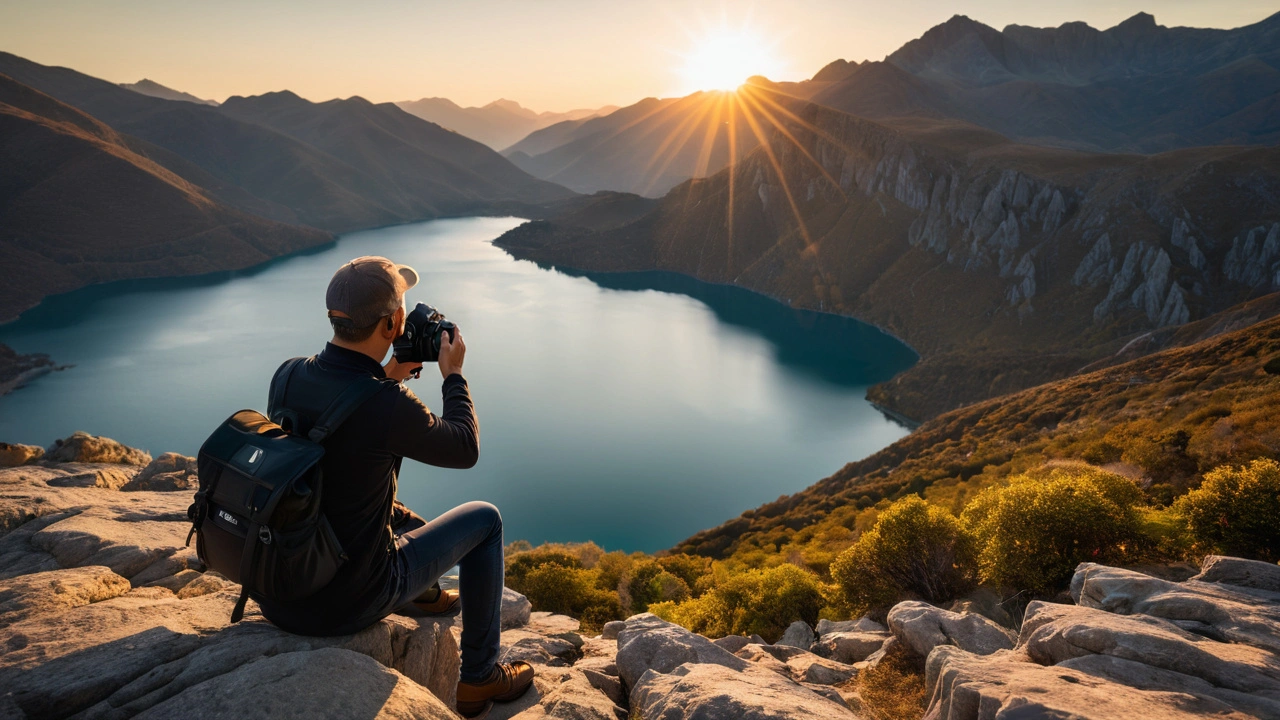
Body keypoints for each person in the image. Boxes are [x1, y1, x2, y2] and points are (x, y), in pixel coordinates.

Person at [258, 255, 533, 718]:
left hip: (282, 591)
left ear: (334, 317)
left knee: (398, 511)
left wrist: (387, 373)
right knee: (485, 521)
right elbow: (464, 447)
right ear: (394, 323)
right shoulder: (388, 405)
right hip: (349, 602)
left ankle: (422, 594)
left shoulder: (287, 374)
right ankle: (479, 678)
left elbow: (329, 454)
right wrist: (454, 375)